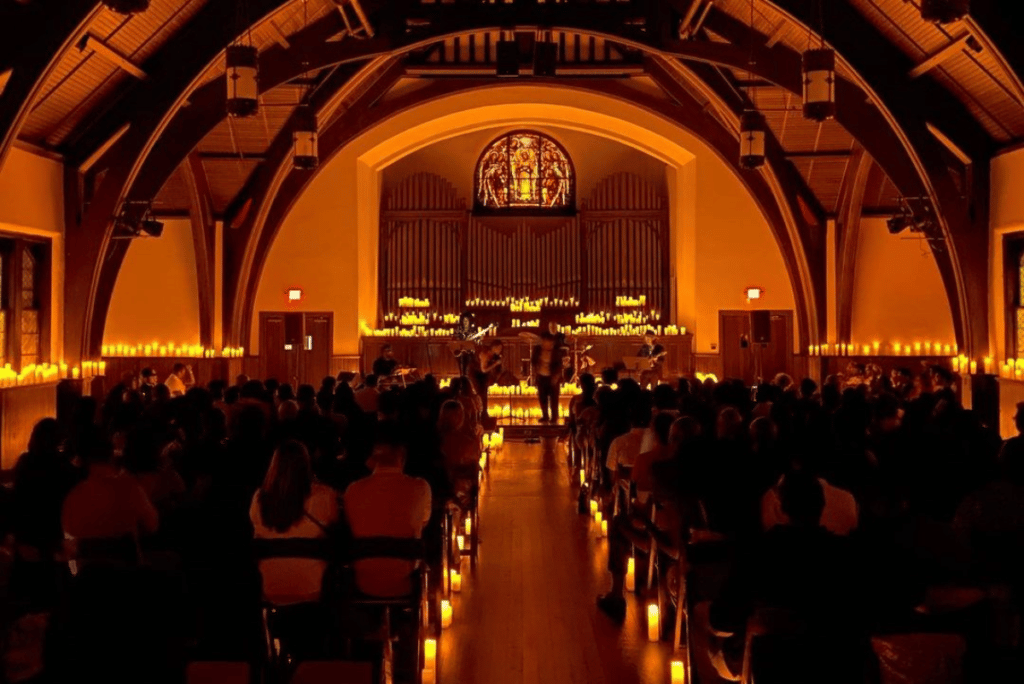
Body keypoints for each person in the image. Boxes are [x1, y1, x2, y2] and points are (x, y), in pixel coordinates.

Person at [343, 427, 432, 598]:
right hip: (406, 580)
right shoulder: (420, 488)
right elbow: (423, 523)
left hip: (363, 579)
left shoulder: (353, 490)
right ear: (402, 455)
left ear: (372, 458)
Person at [250, 440, 339, 606]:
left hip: (271, 588)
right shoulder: (324, 495)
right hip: (313, 588)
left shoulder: (259, 499)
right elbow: (334, 526)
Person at [61, 426, 159, 564]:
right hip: (129, 575)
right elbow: (152, 525)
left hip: (88, 578)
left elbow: (70, 542)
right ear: (112, 456)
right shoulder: (130, 488)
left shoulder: (73, 497)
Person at [531, 333, 563, 423]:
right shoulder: (537, 350)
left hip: (552, 378)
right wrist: (536, 370)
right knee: (542, 397)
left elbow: (559, 365)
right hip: (541, 377)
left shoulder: (556, 352)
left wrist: (556, 376)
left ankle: (554, 417)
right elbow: (533, 361)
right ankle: (545, 416)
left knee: (554, 398)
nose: (547, 345)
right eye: (544, 342)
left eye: (549, 343)